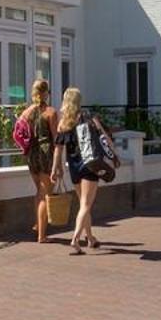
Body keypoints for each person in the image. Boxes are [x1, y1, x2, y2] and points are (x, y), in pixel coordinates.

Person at [51, 86, 114, 255]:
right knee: (86, 204)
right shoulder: (88, 117)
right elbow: (104, 137)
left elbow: (58, 149)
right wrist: (112, 151)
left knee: (82, 205)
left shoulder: (63, 122)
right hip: (90, 165)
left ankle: (91, 238)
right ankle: (75, 239)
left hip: (74, 168)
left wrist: (55, 168)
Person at [18, 77, 60, 243]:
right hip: (45, 153)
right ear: (46, 94)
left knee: (38, 192)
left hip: (31, 153)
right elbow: (56, 138)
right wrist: (58, 162)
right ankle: (42, 235)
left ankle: (38, 223)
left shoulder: (26, 112)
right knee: (44, 194)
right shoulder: (51, 112)